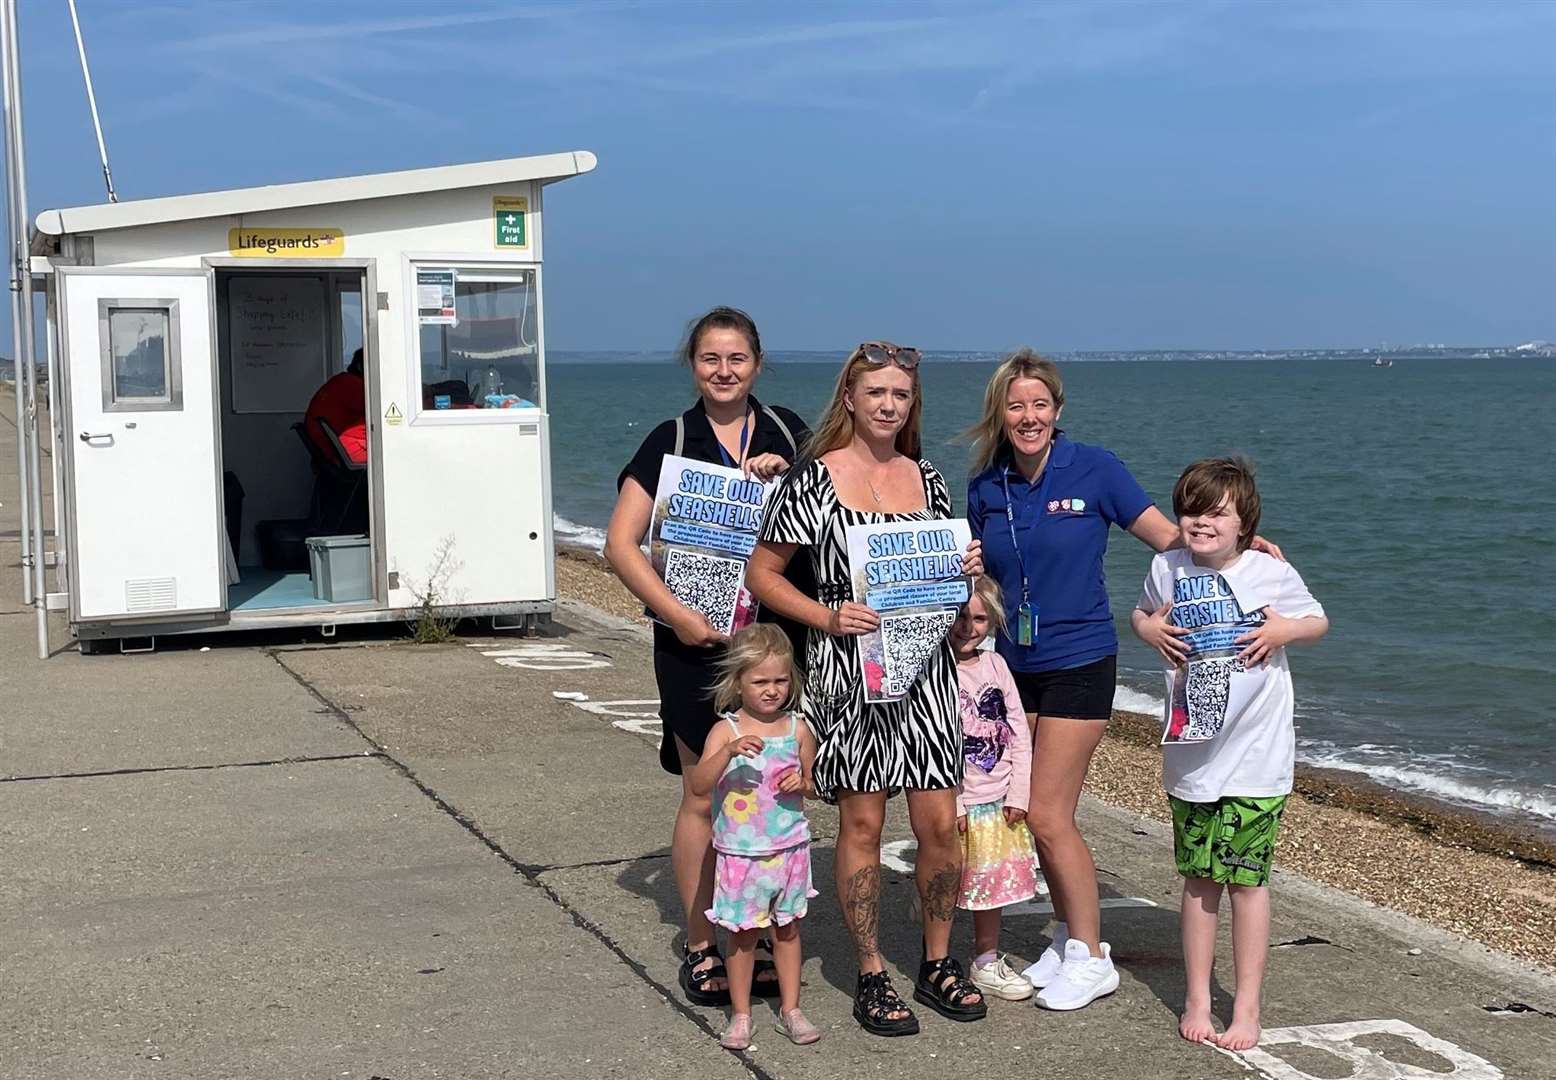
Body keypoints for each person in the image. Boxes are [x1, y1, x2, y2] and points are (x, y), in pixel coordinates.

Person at [965, 348, 1282, 1012]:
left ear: (1058, 409)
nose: (1028, 417)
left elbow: (1168, 537)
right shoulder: (987, 484)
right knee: (1025, 811)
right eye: (1015, 405)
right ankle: (1063, 934)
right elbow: (983, 574)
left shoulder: (1095, 468)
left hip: (1080, 658)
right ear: (1001, 412)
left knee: (1050, 815)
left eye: (1039, 404)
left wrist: (1237, 548)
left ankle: (1089, 953)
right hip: (1011, 665)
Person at [747, 341, 987, 1037]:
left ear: (912, 405)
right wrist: (825, 615)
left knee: (940, 826)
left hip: (926, 673)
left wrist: (967, 566)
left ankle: (939, 961)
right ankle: (872, 970)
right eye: (875, 393)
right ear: (850, 398)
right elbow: (764, 574)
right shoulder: (812, 480)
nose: (888, 405)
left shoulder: (930, 479)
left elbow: (945, 583)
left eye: (900, 395)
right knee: (862, 825)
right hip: (850, 674)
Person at [603, 307, 809, 1010]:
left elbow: (830, 517)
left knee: (772, 784)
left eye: (737, 359)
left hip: (775, 646)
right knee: (704, 792)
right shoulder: (672, 439)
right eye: (710, 359)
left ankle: (762, 931)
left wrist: (788, 476)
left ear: (758, 362)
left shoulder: (787, 430)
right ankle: (700, 943)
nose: (724, 371)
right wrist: (677, 615)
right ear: (692, 365)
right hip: (695, 645)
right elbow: (620, 545)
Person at [1132, 458, 1327, 1051]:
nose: (1201, 522)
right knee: (1197, 880)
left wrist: (1281, 633)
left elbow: (1318, 620)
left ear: (1244, 522)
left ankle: (1246, 1006)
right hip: (1193, 753)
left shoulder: (1268, 570)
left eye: (1217, 512)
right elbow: (1141, 611)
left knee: (1248, 881)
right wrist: (1146, 631)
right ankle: (1196, 997)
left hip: (1257, 755)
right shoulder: (1166, 566)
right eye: (1191, 510)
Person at [689, 625, 821, 1049]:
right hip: (742, 854)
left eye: (780, 681)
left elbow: (814, 785)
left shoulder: (798, 728)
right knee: (742, 936)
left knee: (788, 930)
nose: (772, 690)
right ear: (738, 682)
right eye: (760, 681)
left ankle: (791, 1008)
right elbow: (698, 786)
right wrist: (727, 753)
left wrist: (800, 783)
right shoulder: (725, 731)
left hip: (788, 849)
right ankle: (741, 1014)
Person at [950, 575, 1039, 1002]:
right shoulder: (935, 669)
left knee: (989, 888)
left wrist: (1019, 793)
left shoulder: (997, 665)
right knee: (949, 880)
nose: (969, 626)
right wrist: (954, 801)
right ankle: (938, 957)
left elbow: (1018, 730)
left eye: (980, 618)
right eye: (961, 615)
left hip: (998, 797)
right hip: (954, 798)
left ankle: (985, 958)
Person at [304, 348, 368, 465]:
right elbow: (377, 414)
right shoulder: (353, 385)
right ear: (361, 366)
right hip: (337, 451)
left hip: (327, 448)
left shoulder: (341, 380)